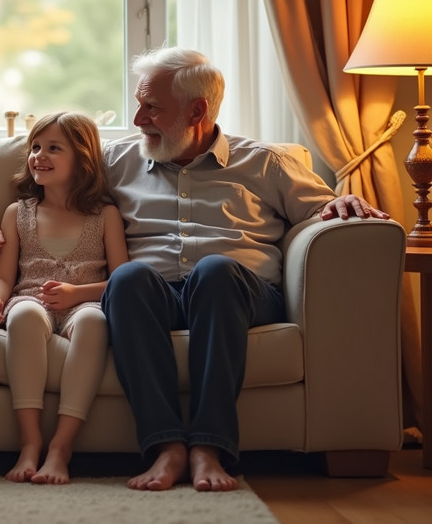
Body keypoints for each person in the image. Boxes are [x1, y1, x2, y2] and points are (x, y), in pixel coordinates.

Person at [100, 46, 391, 492]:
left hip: (238, 295)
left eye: (152, 108)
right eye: (139, 105)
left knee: (216, 271)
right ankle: (166, 447)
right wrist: (13, 225)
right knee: (127, 278)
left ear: (197, 110)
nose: (138, 119)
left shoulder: (265, 162)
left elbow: (321, 210)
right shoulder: (117, 161)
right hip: (154, 298)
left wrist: (340, 201)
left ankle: (209, 447)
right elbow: (54, 194)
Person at [0, 112, 128, 485]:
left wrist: (78, 293)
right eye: (35, 147)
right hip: (30, 298)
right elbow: (3, 277)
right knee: (25, 315)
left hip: (87, 302)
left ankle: (61, 447)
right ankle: (30, 443)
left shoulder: (105, 215)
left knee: (95, 322)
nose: (39, 156)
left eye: (53, 149)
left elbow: (122, 280)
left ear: (83, 159)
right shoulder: (19, 213)